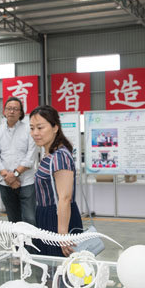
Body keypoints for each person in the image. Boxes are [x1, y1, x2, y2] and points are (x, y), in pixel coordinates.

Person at [29, 105, 83, 257]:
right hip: (46, 216)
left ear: (55, 128)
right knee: (49, 266)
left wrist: (62, 235)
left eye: (40, 127)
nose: (35, 133)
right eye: (32, 128)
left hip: (58, 218)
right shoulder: (50, 154)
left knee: (60, 266)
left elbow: (65, 198)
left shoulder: (60, 157)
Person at [0, 96, 37, 225]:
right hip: (5, 183)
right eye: (9, 108)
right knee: (13, 221)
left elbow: (31, 156)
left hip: (26, 182)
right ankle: (17, 240)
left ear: (21, 112)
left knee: (30, 219)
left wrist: (14, 175)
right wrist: (8, 177)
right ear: (4, 111)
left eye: (16, 109)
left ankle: (31, 240)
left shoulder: (29, 130)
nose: (12, 111)